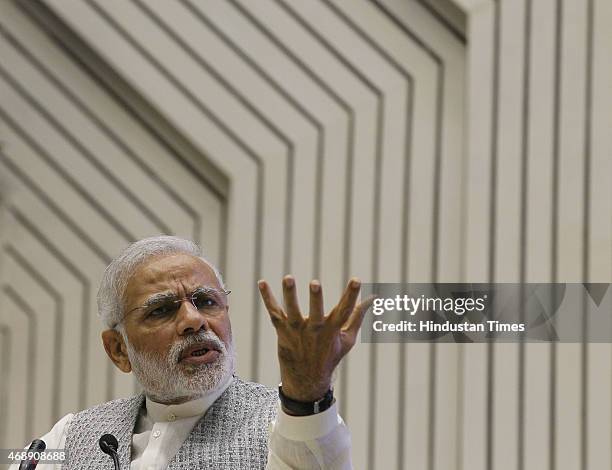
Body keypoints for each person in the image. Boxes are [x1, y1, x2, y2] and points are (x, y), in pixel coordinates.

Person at [10, 236, 373, 469]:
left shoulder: (282, 425)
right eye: (162, 309)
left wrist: (307, 391)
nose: (193, 320)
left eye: (206, 301)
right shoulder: (68, 438)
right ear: (118, 350)